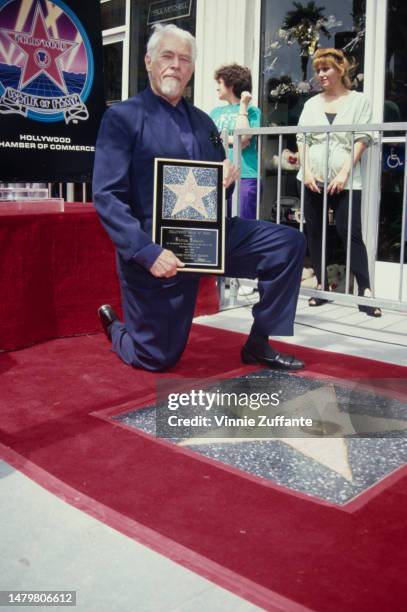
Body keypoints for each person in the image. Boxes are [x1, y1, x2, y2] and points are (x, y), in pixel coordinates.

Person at [93, 23, 306, 372]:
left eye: (184, 59)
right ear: (148, 62)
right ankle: (117, 329)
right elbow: (107, 196)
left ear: (192, 69)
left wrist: (228, 179)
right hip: (156, 249)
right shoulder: (122, 118)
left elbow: (216, 187)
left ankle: (259, 342)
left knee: (287, 243)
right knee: (156, 359)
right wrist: (148, 253)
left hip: (210, 238)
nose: (176, 65)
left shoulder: (205, 123)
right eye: (167, 56)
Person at [296, 48, 381, 317]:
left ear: (340, 70)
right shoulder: (311, 104)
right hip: (312, 178)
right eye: (318, 70)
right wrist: (306, 171)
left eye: (326, 69)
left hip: (346, 178)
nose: (320, 74)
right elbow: (302, 139)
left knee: (350, 232)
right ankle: (322, 286)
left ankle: (365, 291)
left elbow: (362, 138)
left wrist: (344, 173)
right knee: (315, 231)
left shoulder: (358, 101)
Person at [210, 64, 261, 220]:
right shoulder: (215, 112)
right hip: (220, 175)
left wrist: (243, 106)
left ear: (231, 84)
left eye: (220, 83)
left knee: (244, 223)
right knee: (220, 224)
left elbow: (244, 138)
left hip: (245, 175)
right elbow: (208, 139)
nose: (217, 87)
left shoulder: (252, 111)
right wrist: (229, 140)